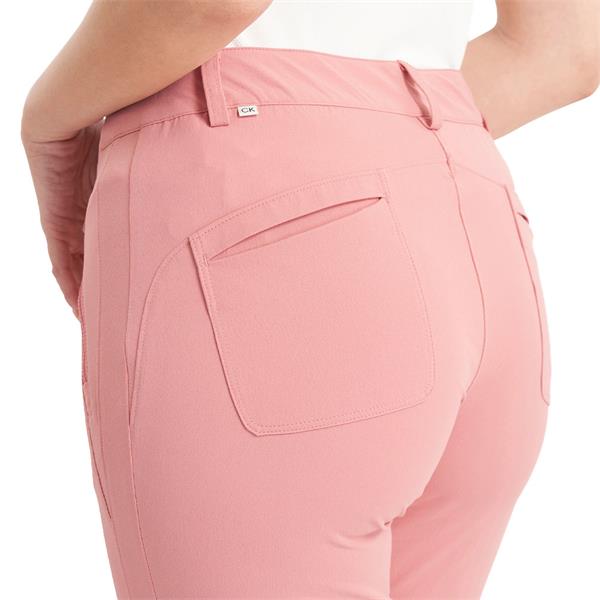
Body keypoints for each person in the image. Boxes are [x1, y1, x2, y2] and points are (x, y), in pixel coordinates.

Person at [21, 1, 599, 598]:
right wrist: (375, 127)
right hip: (474, 218)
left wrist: (47, 121)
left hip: (268, 215)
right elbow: (561, 51)